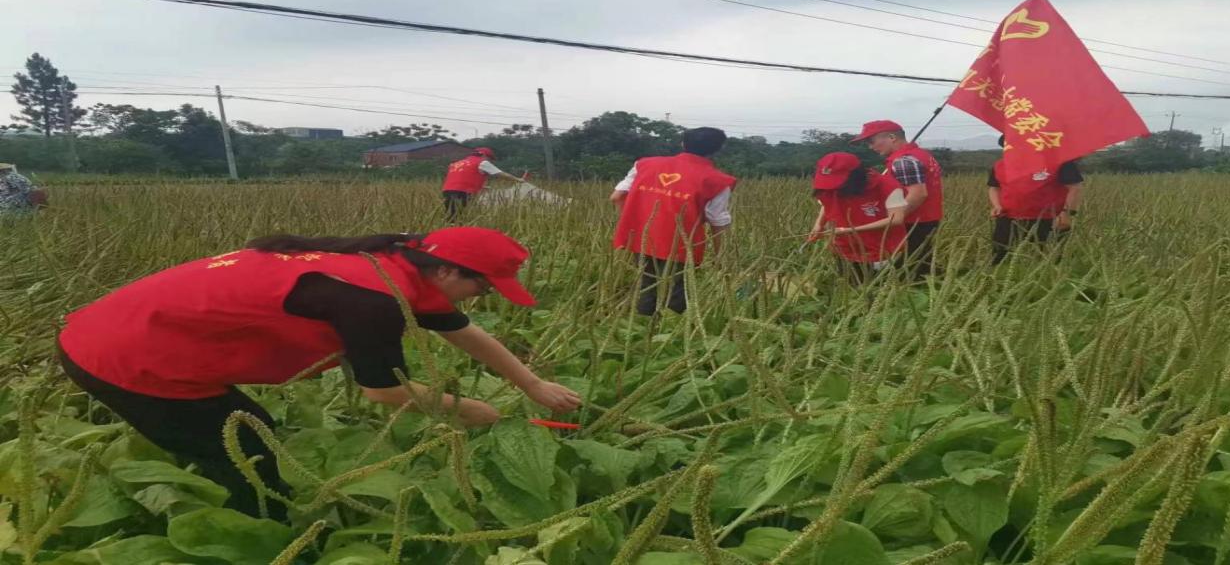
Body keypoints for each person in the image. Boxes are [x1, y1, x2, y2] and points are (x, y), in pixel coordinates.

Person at [57, 227, 581, 520]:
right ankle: (265, 540)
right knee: (250, 458)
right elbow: (384, 391)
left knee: (244, 438)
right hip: (124, 356)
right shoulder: (372, 299)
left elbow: (462, 331)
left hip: (131, 332)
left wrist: (531, 384)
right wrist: (467, 410)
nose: (481, 298)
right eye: (482, 287)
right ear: (446, 270)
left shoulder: (393, 267)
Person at [610, 127, 735, 316]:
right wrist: (721, 257)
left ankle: (644, 325)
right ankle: (671, 327)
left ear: (683, 143)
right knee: (678, 291)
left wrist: (633, 224)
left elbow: (617, 196)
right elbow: (718, 222)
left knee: (646, 284)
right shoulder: (717, 180)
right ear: (717, 149)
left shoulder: (644, 164)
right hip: (682, 244)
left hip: (642, 238)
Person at [850, 120, 942, 280]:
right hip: (926, 218)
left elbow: (918, 194)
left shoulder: (903, 161)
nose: (871, 147)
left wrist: (891, 219)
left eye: (872, 141)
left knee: (907, 270)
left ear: (892, 137)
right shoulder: (920, 155)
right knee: (919, 263)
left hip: (912, 221)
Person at [806, 152, 909, 283]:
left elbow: (896, 219)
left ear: (854, 176)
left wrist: (851, 230)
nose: (834, 188)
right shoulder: (831, 189)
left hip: (881, 249)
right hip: (845, 248)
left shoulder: (888, 186)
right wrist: (818, 225)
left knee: (879, 287)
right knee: (848, 287)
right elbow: (827, 204)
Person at [988, 136, 1084, 264]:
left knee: (1051, 262)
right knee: (999, 260)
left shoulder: (1059, 162)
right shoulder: (1000, 165)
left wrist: (1066, 213)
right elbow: (994, 188)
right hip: (1008, 218)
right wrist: (996, 205)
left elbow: (1075, 187)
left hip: (1049, 219)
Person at [442, 147, 526, 221]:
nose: (490, 161)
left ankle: (450, 230)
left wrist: (482, 186)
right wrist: (518, 180)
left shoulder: (457, 163)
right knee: (463, 215)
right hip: (464, 192)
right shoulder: (482, 162)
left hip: (447, 191)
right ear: (484, 155)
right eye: (490, 159)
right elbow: (500, 174)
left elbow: (463, 178)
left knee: (452, 215)